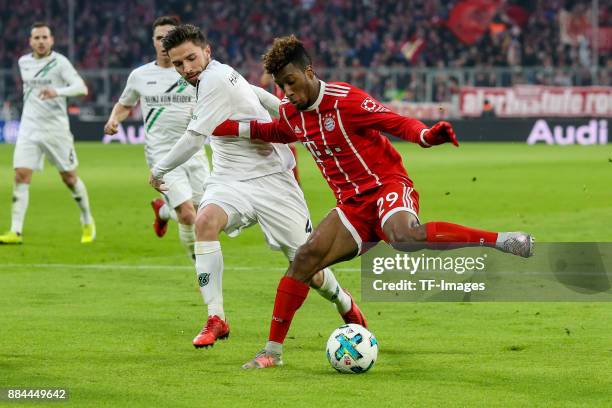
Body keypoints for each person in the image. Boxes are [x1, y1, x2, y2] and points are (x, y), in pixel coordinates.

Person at [213, 35, 535, 369]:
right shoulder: (292, 114)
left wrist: (425, 136)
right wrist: (219, 127)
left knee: (403, 237)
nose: (288, 92)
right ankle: (272, 353)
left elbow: (394, 122)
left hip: (386, 186)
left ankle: (500, 240)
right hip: (351, 207)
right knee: (304, 259)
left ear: (309, 71)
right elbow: (274, 132)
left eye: (291, 82)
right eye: (281, 86)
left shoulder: (346, 100)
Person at [148, 25, 366, 348]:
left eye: (191, 59)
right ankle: (216, 317)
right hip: (229, 179)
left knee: (307, 265)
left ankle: (343, 301)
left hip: (271, 179)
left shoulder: (215, 78)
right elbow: (255, 92)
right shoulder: (220, 74)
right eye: (178, 64)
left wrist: (160, 169)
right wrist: (284, 111)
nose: (186, 69)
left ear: (207, 52)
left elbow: (195, 137)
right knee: (204, 222)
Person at [104, 16, 210, 260]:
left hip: (193, 151)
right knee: (186, 214)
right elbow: (124, 104)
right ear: (153, 42)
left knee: (202, 212)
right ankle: (201, 267)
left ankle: (163, 211)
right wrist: (113, 120)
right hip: (161, 153)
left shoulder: (193, 71)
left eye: (168, 36)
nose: (164, 42)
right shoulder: (140, 75)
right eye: (159, 37)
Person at [0, 22, 94, 244]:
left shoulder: (60, 63)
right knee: (21, 175)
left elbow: (81, 88)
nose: (41, 41)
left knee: (69, 178)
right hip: (29, 128)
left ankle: (87, 219)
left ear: (51, 40)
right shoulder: (23, 62)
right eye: (37, 38)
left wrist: (57, 91)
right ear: (30, 41)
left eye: (45, 37)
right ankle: (15, 231)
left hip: (56, 130)